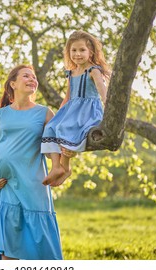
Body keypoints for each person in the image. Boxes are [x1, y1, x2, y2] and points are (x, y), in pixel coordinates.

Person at [0, 64, 63, 260]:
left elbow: (53, 145)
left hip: (31, 186)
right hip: (2, 187)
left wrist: (57, 168)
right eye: (26, 76)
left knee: (38, 247)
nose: (32, 79)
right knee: (7, 251)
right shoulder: (0, 115)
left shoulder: (45, 113)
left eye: (34, 77)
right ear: (13, 83)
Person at [41, 30, 111, 187]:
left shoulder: (93, 70)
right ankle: (57, 166)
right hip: (72, 109)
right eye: (74, 50)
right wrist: (60, 115)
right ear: (68, 52)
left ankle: (65, 167)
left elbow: (102, 92)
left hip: (88, 111)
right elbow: (67, 97)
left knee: (68, 127)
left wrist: (109, 111)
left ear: (90, 51)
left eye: (82, 50)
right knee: (52, 126)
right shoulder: (71, 73)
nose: (77, 54)